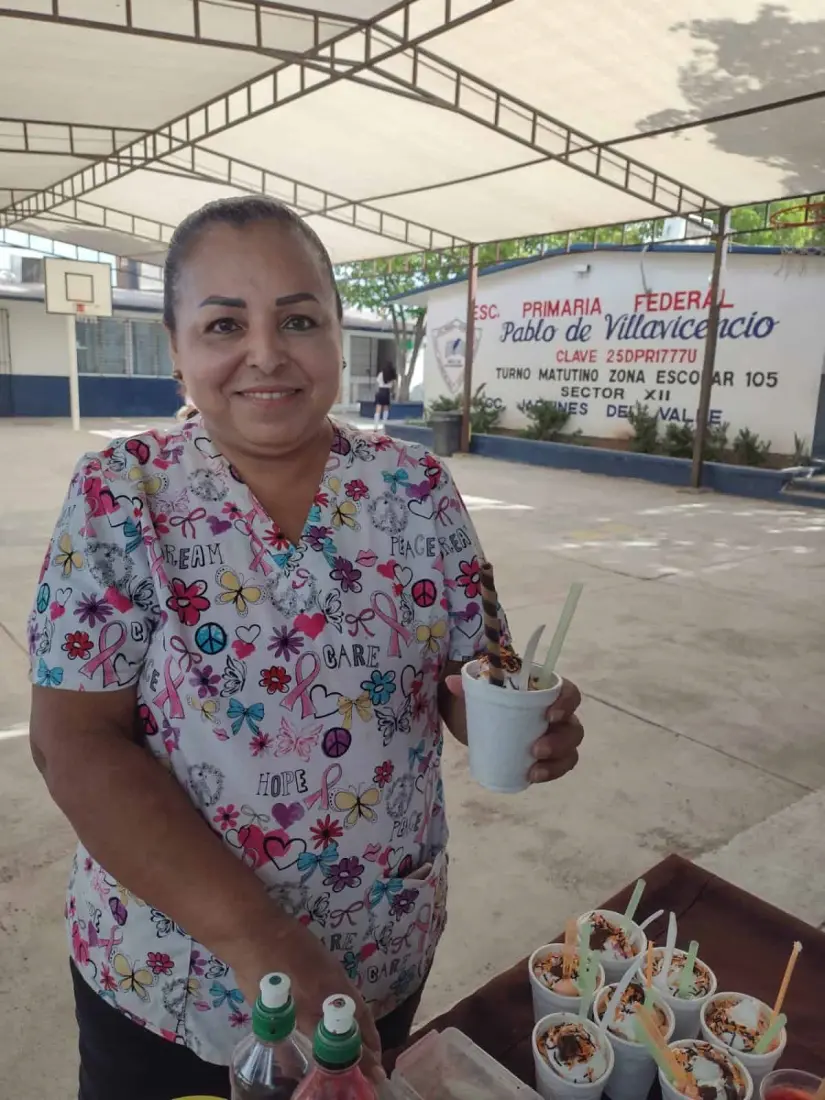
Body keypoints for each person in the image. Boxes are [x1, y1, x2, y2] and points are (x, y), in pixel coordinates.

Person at [27, 196, 584, 1100]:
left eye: (297, 318)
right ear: (175, 347)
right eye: (223, 323)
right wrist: (267, 944)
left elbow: (469, 672)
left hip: (376, 956)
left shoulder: (416, 488)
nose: (266, 352)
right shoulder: (120, 494)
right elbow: (73, 742)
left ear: (334, 333)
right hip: (170, 974)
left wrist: (518, 719)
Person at [373, 361, 397, 429]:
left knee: (378, 409)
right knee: (386, 409)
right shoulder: (392, 375)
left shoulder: (381, 373)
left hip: (380, 391)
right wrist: (393, 392)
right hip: (387, 392)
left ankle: (375, 426)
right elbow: (394, 385)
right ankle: (384, 425)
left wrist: (376, 392)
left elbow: (377, 383)